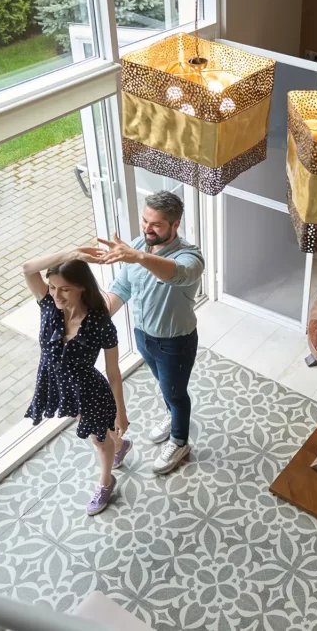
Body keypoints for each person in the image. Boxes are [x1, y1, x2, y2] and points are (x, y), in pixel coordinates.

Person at [98, 190, 204, 475]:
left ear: (175, 225)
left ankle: (180, 441)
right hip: (144, 337)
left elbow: (175, 273)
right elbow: (121, 289)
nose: (147, 228)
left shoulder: (190, 257)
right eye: (145, 220)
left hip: (175, 343)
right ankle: (173, 415)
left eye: (156, 224)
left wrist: (139, 256)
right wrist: (95, 317)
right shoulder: (137, 247)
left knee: (176, 392)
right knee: (166, 387)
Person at [22, 249, 128, 515]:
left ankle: (106, 481)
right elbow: (27, 267)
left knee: (98, 441)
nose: (57, 295)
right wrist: (71, 253)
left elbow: (113, 372)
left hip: (89, 390)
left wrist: (122, 413)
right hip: (57, 384)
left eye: (65, 289)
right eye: (53, 287)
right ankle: (120, 443)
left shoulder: (100, 323)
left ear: (82, 287)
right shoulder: (48, 304)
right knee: (99, 431)